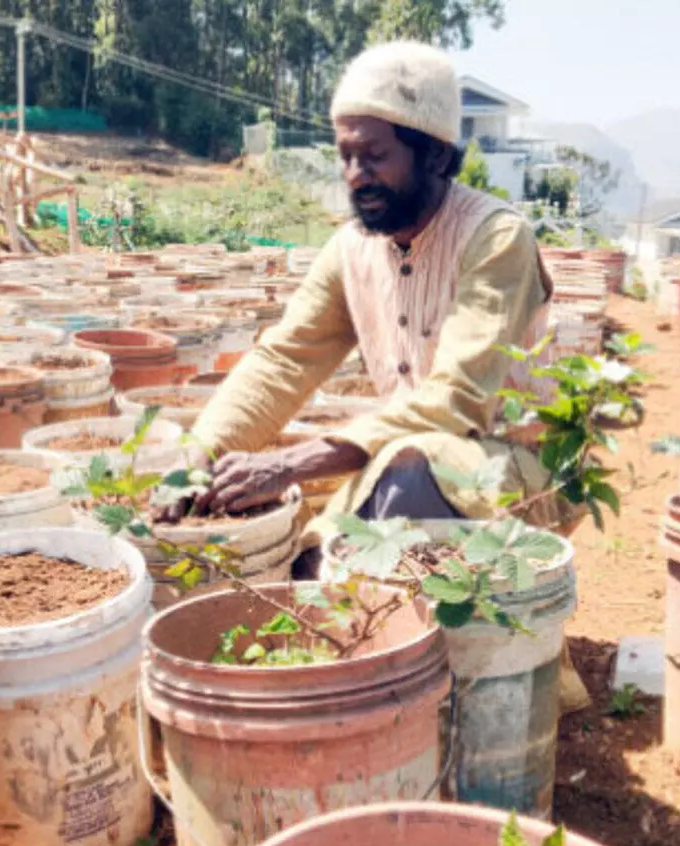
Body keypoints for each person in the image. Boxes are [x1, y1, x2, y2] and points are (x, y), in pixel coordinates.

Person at [172, 40, 579, 550]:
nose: (355, 175)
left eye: (374, 156)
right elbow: (285, 359)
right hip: (408, 458)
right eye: (345, 157)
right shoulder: (352, 249)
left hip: (518, 468)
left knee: (399, 488)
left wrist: (289, 463)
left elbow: (457, 402)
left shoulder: (496, 238)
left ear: (435, 154)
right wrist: (201, 453)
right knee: (309, 548)